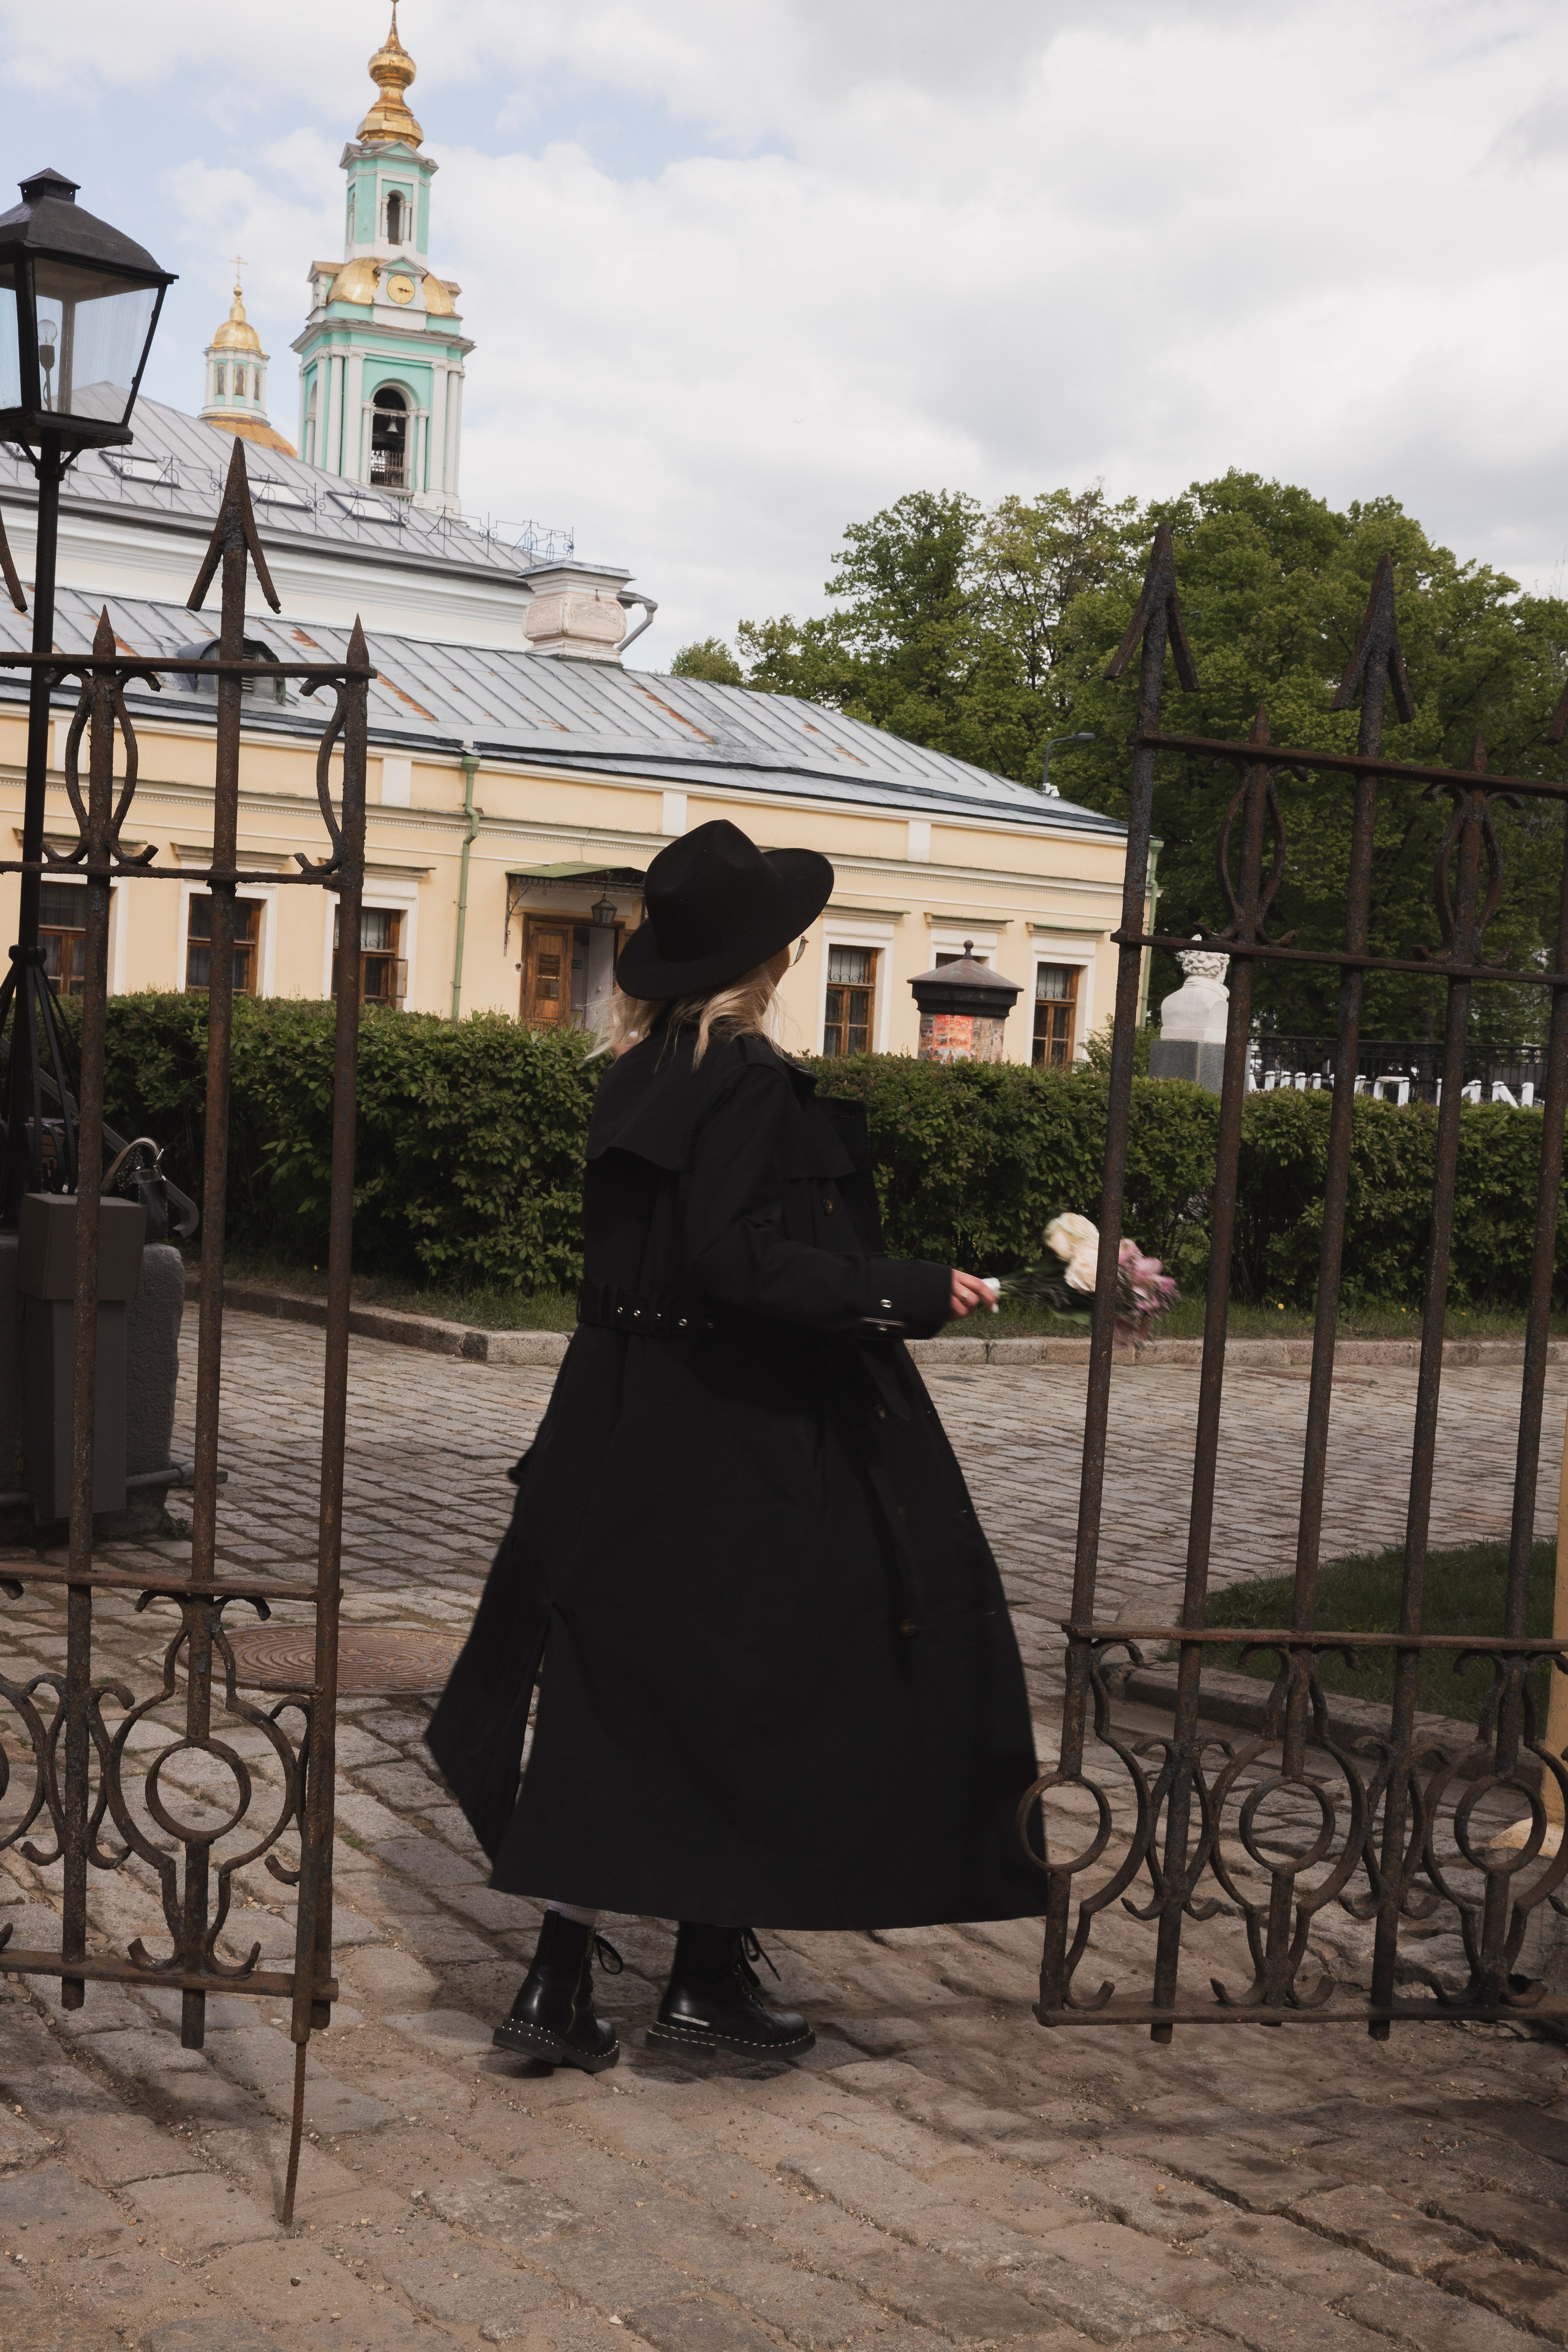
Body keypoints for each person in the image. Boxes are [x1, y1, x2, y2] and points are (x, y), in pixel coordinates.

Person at [428, 820, 1042, 2072]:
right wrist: (906, 1288)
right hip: (724, 1427)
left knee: (613, 1692)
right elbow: (734, 1262)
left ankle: (556, 1989)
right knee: (759, 1690)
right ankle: (700, 1984)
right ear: (771, 956)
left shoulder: (634, 1069)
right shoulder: (745, 1075)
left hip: (608, 1418)